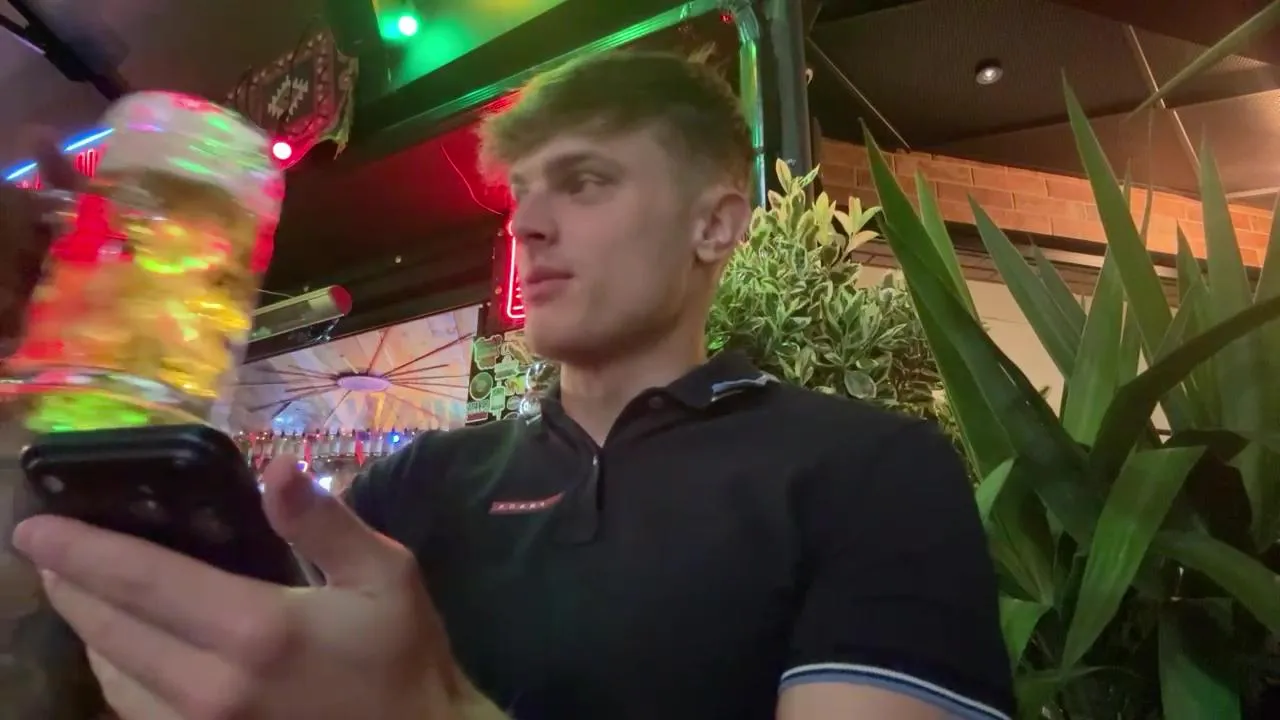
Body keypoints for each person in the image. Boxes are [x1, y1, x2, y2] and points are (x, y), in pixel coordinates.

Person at [9, 50, 1014, 719]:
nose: (526, 225)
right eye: (521, 193)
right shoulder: (417, 486)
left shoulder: (869, 471)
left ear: (714, 224)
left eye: (584, 182)